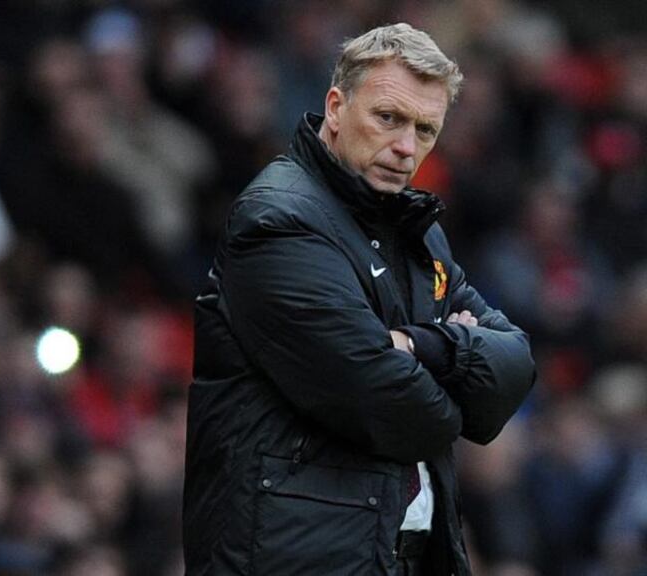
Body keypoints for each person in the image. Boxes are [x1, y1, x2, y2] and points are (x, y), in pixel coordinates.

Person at [182, 23, 535, 575]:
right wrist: (459, 364)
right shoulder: (278, 220)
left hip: (395, 552)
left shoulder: (417, 228)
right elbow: (397, 408)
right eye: (388, 118)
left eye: (425, 129)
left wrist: (424, 347)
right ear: (336, 106)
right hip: (294, 558)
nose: (404, 147)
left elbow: (514, 368)